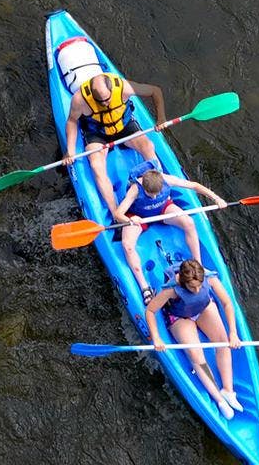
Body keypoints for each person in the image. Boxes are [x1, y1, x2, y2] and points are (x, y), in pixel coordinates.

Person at [144, 260, 245, 419]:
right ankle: (219, 400)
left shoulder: (209, 277)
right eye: (192, 287)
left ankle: (228, 390)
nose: (197, 290)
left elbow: (226, 303)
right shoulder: (172, 289)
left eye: (199, 286)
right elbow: (150, 311)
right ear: (183, 283)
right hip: (180, 316)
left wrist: (233, 332)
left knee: (224, 343)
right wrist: (156, 337)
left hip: (203, 308)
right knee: (196, 355)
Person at [112, 160, 226, 297]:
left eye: (156, 193)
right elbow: (118, 214)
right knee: (127, 245)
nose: (154, 196)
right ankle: (145, 288)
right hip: (138, 216)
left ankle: (199, 265)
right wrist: (130, 220)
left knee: (189, 223)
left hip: (162, 210)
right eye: (150, 194)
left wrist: (216, 198)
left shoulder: (165, 179)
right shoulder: (135, 189)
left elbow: (194, 186)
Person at [61, 73, 166, 207]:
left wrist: (161, 118)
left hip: (123, 125)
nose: (105, 103)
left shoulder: (124, 87)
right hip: (97, 132)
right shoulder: (79, 100)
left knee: (148, 147)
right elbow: (72, 121)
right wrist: (70, 150)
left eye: (107, 99)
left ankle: (160, 189)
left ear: (111, 90)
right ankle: (115, 210)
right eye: (101, 101)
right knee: (96, 165)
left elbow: (155, 91)